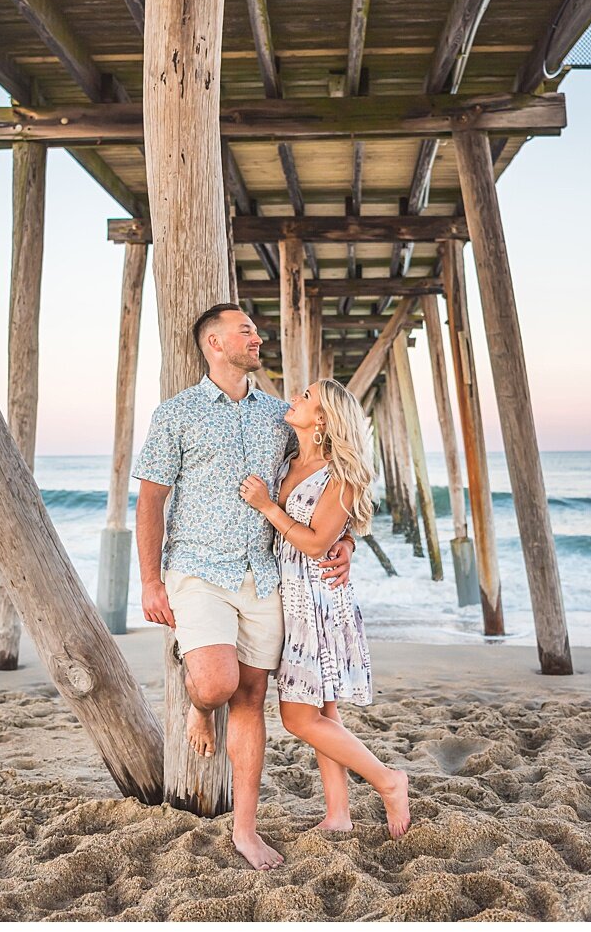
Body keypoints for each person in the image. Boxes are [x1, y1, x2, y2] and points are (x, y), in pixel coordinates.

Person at [134, 303, 355, 870]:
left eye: (255, 330)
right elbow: (152, 500)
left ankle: (245, 829)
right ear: (213, 343)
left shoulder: (280, 416)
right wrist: (151, 580)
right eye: (245, 331)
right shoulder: (175, 414)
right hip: (198, 568)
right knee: (214, 683)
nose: (257, 338)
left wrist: (344, 540)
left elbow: (325, 474)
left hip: (264, 573)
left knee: (253, 698)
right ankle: (199, 708)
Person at [239, 377, 411, 838]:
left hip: (316, 602)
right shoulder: (287, 457)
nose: (295, 397)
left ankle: (388, 780)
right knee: (324, 712)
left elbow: (316, 543)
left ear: (323, 419)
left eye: (307, 396)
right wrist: (349, 541)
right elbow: (333, 535)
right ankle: (338, 814)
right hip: (290, 594)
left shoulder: (340, 476)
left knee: (298, 717)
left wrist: (267, 507)